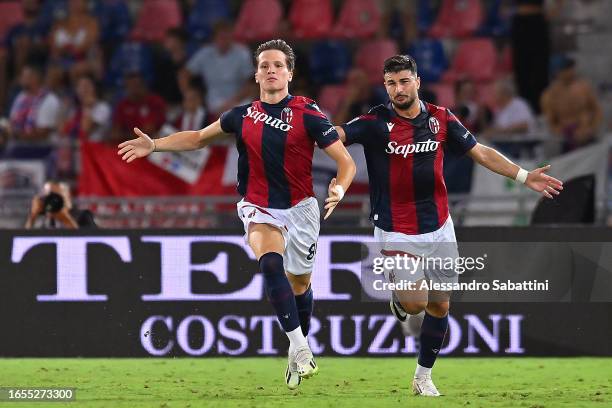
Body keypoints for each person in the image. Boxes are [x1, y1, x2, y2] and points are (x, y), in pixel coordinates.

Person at [117, 39, 356, 389]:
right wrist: (155, 144)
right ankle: (301, 348)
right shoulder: (241, 115)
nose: (271, 70)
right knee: (270, 263)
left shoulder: (308, 114)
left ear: (290, 72)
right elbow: (198, 138)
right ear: (256, 74)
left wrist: (339, 187)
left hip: (302, 209)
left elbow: (345, 162)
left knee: (300, 283)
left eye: (278, 65)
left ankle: (295, 349)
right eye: (264, 65)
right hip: (258, 205)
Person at [334, 55, 563, 397]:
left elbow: (480, 151)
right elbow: (336, 134)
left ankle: (422, 377)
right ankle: (401, 299)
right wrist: (305, 132)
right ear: (385, 87)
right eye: (392, 83)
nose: (398, 89)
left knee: (440, 305)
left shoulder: (441, 119)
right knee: (415, 304)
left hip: (439, 226)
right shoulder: (374, 122)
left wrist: (523, 175)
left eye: (404, 81)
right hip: (395, 228)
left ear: (417, 81)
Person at [184, 21, 255, 116]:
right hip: (214, 101)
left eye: (228, 37)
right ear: (214, 38)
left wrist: (233, 101)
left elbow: (251, 83)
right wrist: (188, 94)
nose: (225, 41)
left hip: (239, 99)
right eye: (222, 37)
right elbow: (184, 74)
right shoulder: (205, 53)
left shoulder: (242, 53)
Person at [540, 56, 603, 152]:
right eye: (567, 69)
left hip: (588, 134)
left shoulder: (584, 88)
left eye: (571, 68)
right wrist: (565, 134)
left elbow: (596, 110)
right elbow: (551, 122)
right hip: (567, 139)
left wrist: (590, 128)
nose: (572, 71)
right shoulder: (549, 95)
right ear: (558, 72)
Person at [25, 180, 96, 229]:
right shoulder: (41, 220)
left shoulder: (82, 216)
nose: (54, 201)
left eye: (58, 196)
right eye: (50, 196)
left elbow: (91, 242)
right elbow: (24, 241)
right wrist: (33, 217)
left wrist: (67, 219)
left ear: (68, 197)